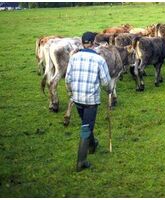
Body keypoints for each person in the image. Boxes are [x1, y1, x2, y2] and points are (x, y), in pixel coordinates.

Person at [65, 32, 111, 172]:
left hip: (77, 98)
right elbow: (105, 81)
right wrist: (109, 90)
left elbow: (67, 79)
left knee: (86, 124)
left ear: (83, 42)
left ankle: (92, 145)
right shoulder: (99, 59)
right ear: (92, 43)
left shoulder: (74, 58)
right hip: (91, 100)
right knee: (86, 128)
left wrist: (71, 93)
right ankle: (81, 161)